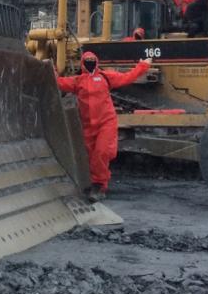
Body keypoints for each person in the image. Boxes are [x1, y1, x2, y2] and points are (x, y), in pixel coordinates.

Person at [56, 52, 152, 201]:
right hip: (88, 125)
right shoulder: (77, 81)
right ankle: (92, 183)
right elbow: (58, 82)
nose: (90, 63)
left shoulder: (106, 77)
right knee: (91, 156)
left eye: (92, 61)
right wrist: (50, 70)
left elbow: (128, 77)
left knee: (101, 152)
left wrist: (143, 65)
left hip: (106, 122)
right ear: (82, 63)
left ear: (97, 62)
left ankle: (99, 186)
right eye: (87, 61)